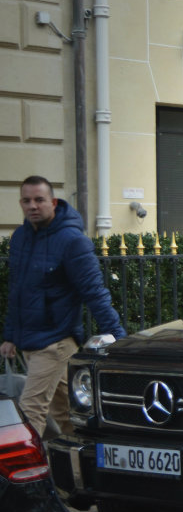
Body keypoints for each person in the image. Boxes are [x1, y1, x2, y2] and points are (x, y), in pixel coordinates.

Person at [1, 176, 126, 437]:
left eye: (39, 200)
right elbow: (17, 291)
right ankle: (80, 471)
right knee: (69, 414)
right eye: (26, 200)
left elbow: (94, 291)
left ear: (53, 202)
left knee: (29, 410)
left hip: (55, 342)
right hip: (29, 343)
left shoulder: (72, 241)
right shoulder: (21, 237)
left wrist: (118, 338)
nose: (32, 206)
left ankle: (28, 476)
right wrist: (10, 336)